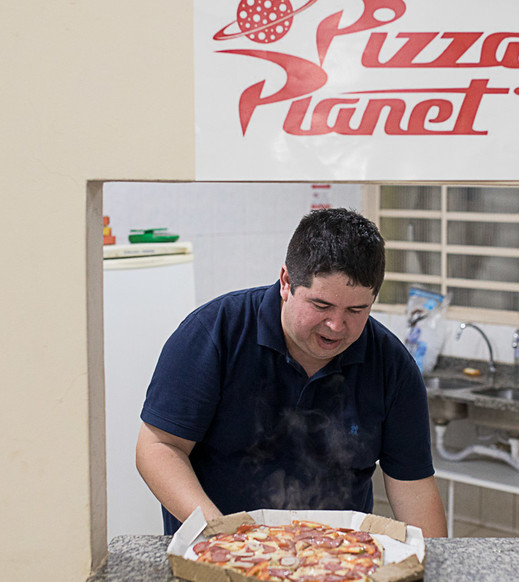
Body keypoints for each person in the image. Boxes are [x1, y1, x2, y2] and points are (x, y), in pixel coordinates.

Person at [135, 207, 447, 537]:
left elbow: (414, 487)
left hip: (339, 558)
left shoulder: (392, 366)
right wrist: (222, 535)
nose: (336, 325)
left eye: (357, 310)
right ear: (286, 282)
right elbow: (158, 447)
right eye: (321, 305)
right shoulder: (215, 333)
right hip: (215, 548)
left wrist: (435, 563)